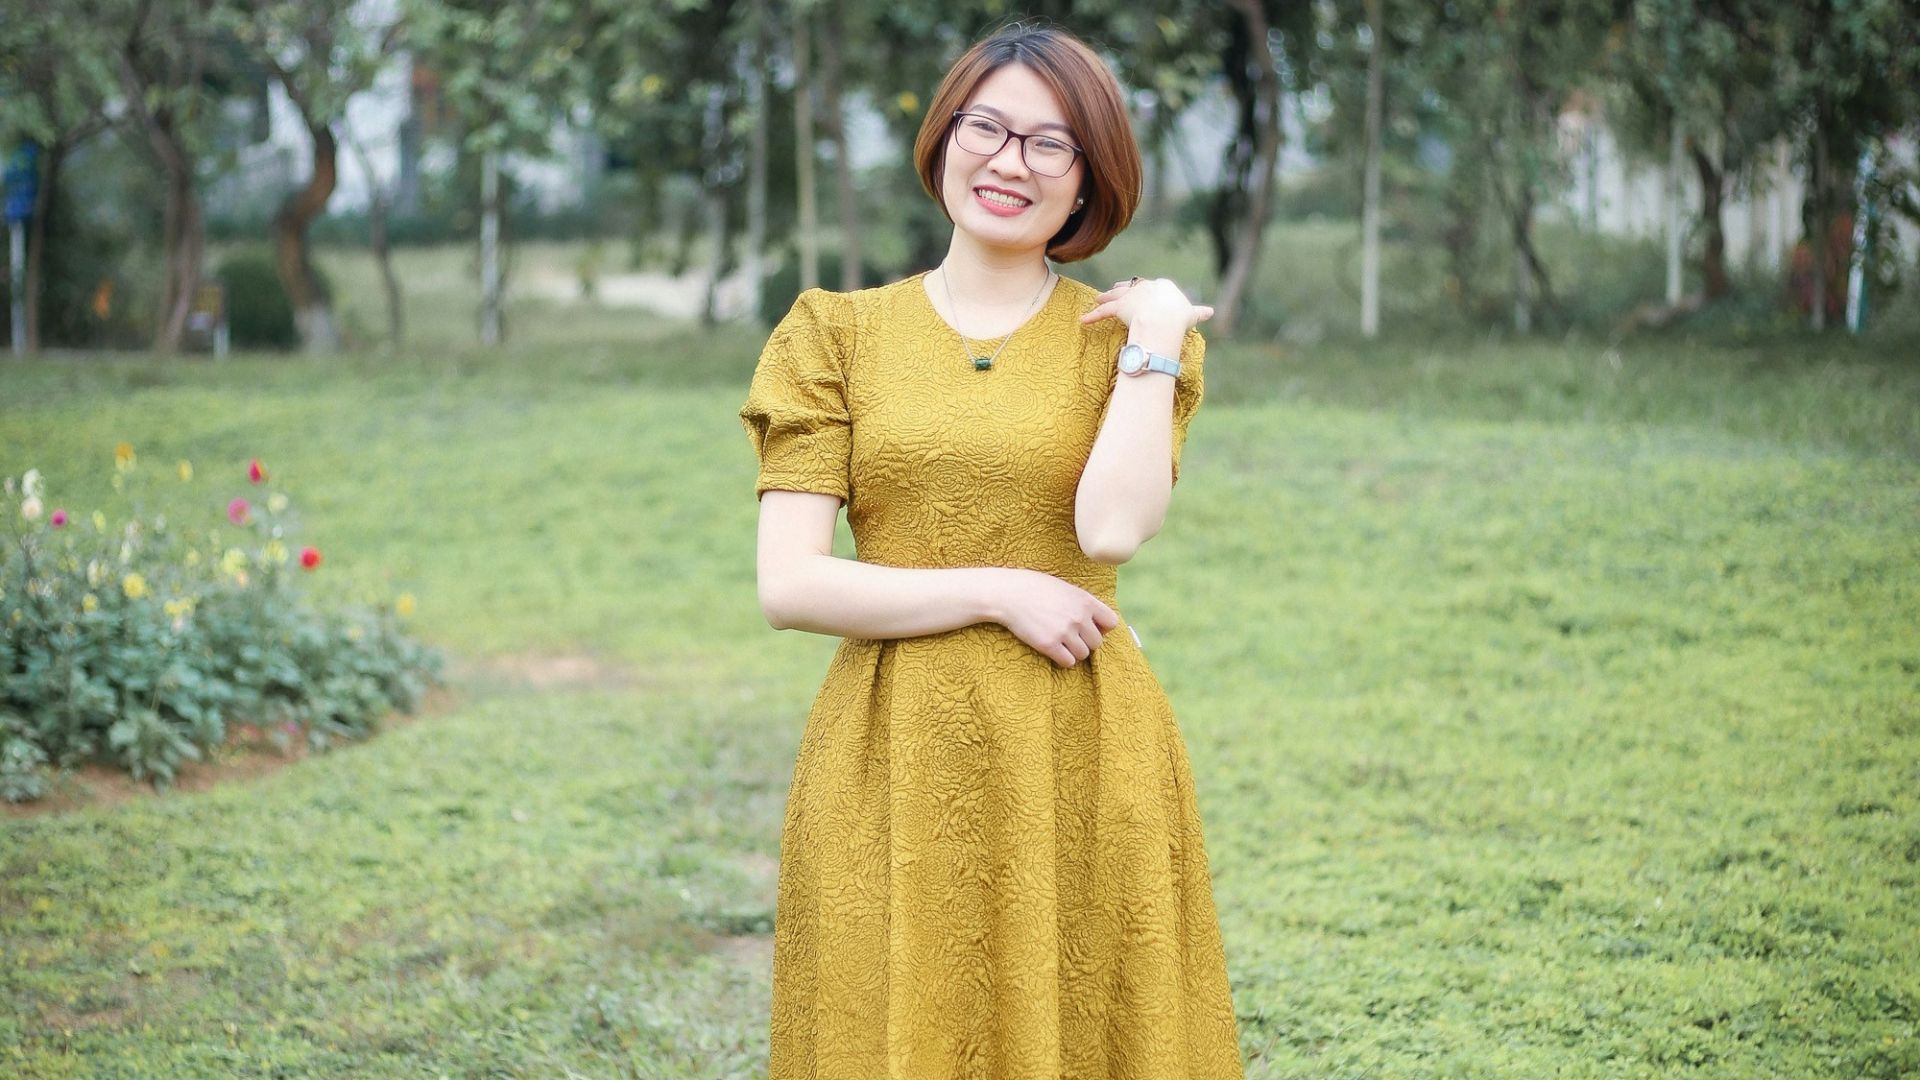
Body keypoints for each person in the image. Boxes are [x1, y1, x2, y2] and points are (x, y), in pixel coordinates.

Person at [740, 21, 1244, 1079]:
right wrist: (1004, 589)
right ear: (943, 139)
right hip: (892, 745)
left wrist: (1151, 346)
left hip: (1080, 739)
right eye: (987, 127)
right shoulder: (834, 333)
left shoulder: (1134, 344)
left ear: (1087, 182)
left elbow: (1110, 531)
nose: (1008, 162)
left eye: (1049, 145)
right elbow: (788, 583)